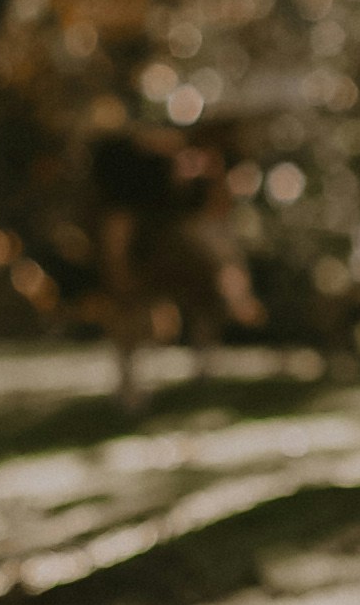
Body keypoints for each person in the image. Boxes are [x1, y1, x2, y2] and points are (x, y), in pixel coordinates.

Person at [85, 120, 259, 401]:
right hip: (143, 251)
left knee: (206, 297)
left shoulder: (196, 194)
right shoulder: (136, 185)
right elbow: (118, 231)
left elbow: (216, 229)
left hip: (172, 251)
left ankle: (202, 371)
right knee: (133, 313)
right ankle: (129, 386)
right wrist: (121, 272)